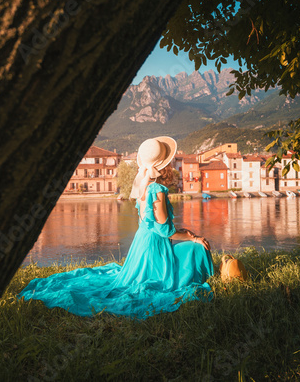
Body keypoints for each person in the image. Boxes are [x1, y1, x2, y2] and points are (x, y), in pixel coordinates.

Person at [18, 136, 214, 319]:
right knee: (196, 248)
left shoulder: (143, 187)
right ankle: (203, 274)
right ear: (165, 166)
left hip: (141, 245)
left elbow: (149, 223)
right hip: (155, 248)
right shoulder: (158, 190)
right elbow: (165, 231)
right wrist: (191, 236)